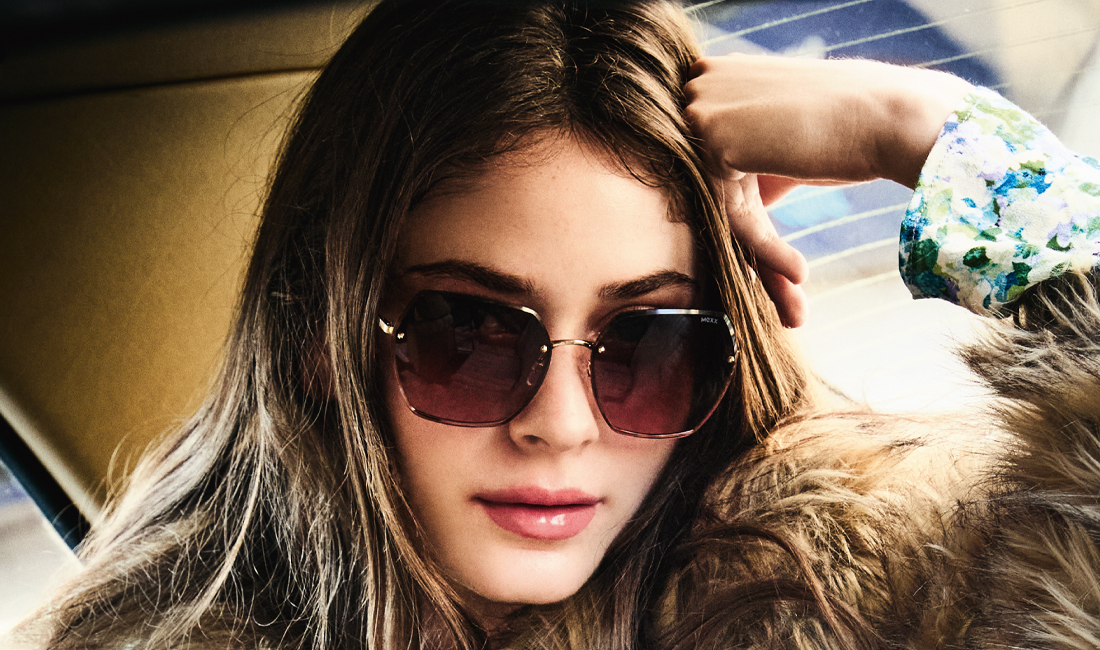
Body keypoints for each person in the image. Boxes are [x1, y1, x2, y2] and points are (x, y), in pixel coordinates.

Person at [10, 0, 1100, 648]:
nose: (563, 424)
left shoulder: (865, 585)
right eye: (470, 333)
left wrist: (936, 136)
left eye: (649, 343)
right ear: (320, 338)